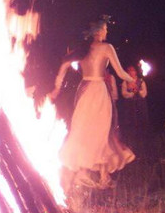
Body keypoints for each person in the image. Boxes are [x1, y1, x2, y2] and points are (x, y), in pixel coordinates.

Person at [50, 16, 136, 190]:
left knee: (85, 130)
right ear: (97, 31)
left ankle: (101, 176)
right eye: (105, 29)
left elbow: (63, 66)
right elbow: (119, 72)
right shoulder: (107, 47)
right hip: (98, 92)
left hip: (84, 91)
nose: (107, 31)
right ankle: (86, 175)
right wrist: (131, 80)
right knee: (101, 132)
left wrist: (57, 88)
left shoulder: (82, 49)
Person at [119, 65, 150, 137]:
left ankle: (143, 136)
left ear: (135, 72)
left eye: (132, 70)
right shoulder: (125, 82)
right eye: (129, 71)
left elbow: (144, 93)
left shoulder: (141, 81)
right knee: (131, 120)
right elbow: (124, 93)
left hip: (140, 104)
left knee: (141, 120)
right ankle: (131, 136)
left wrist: (138, 91)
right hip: (130, 105)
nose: (130, 72)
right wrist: (132, 93)